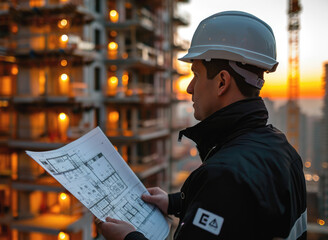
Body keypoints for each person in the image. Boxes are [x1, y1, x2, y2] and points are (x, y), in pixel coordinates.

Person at [99, 11, 307, 240]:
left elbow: (229, 196)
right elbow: (244, 214)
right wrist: (176, 202)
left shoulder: (225, 176)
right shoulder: (283, 151)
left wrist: (128, 238)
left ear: (221, 82)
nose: (190, 88)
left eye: (196, 75)